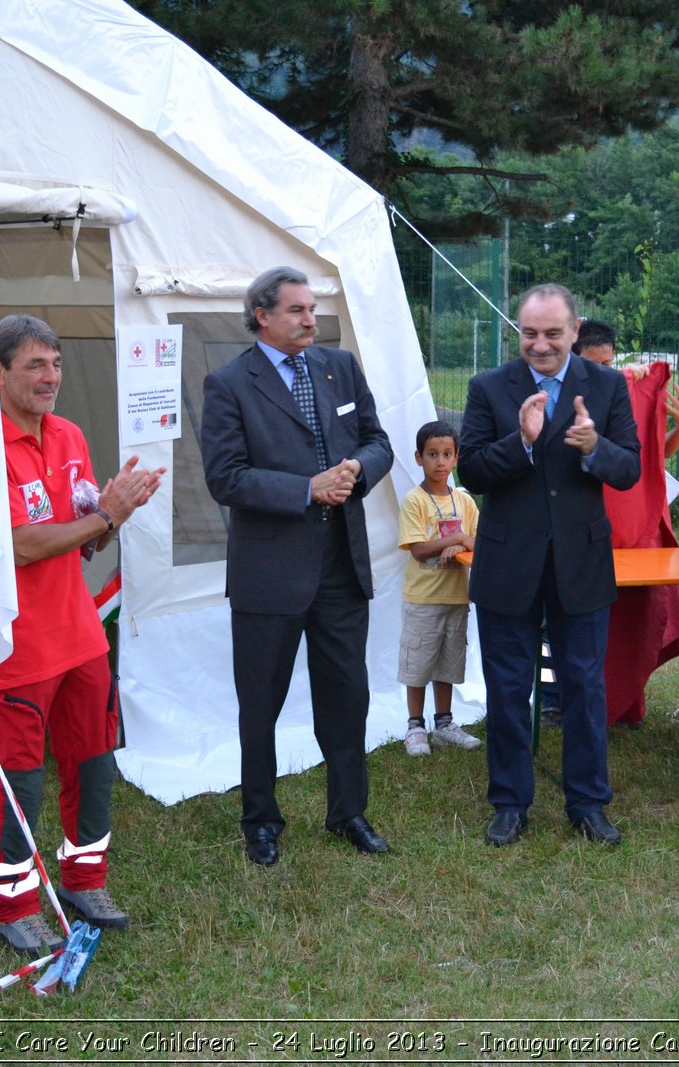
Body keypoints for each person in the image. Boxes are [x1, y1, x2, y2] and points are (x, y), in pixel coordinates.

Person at [0, 314, 164, 953]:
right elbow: (22, 545)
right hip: (18, 646)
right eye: (34, 365)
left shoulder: (71, 435)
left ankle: (86, 879)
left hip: (81, 637)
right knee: (19, 779)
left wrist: (114, 511)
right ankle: (12, 902)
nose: (50, 376)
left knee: (94, 766)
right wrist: (104, 515)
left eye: (55, 364)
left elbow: (83, 539)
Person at [199, 266, 395, 866]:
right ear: (262, 315)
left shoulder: (340, 368)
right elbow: (225, 477)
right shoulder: (229, 383)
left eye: (312, 309)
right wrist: (307, 489)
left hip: (339, 566)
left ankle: (349, 813)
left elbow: (378, 440)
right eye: (297, 310)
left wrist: (357, 470)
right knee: (261, 703)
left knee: (348, 697)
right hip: (270, 574)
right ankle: (260, 821)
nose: (311, 319)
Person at [458, 284, 641, 847]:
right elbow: (471, 471)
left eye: (552, 334)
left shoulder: (606, 385)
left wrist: (594, 448)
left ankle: (588, 803)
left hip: (580, 561)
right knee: (508, 688)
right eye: (529, 333)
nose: (539, 345)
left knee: (585, 685)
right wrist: (523, 441)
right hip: (508, 561)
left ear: (575, 329)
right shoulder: (489, 387)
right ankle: (510, 803)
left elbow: (630, 469)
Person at [538, 320, 679, 728]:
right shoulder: (551, 393)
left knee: (629, 617)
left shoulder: (619, 390)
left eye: (609, 363)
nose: (603, 372)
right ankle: (555, 702)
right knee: (560, 620)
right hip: (568, 525)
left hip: (620, 530)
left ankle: (624, 702)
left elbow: (646, 459)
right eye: (595, 365)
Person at [397, 420, 482, 756]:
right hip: (423, 600)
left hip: (455, 598)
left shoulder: (465, 502)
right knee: (418, 662)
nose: (440, 461)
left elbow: (479, 542)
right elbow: (417, 548)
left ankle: (444, 724)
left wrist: (459, 546)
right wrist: (456, 538)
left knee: (447, 662)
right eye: (432, 454)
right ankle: (415, 727)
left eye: (447, 454)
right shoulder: (414, 501)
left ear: (457, 458)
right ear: (419, 458)